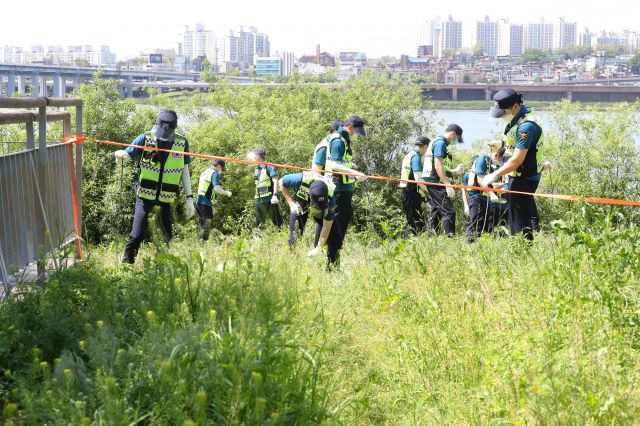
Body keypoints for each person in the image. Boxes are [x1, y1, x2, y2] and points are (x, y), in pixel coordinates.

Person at [115, 109, 194, 264]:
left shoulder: (182, 143)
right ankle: (126, 266)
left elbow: (185, 171)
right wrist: (120, 155)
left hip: (166, 199)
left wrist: (190, 199)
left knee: (165, 237)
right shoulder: (145, 138)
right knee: (137, 235)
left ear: (173, 128)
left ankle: (159, 268)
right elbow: (127, 152)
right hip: (144, 197)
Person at [482, 89, 545, 241]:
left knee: (518, 218)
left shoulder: (526, 126)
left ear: (515, 107)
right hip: (516, 174)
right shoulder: (517, 119)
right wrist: (501, 146)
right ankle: (522, 247)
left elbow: (517, 159)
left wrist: (493, 175)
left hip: (525, 177)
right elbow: (513, 139)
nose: (502, 116)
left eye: (503, 112)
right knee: (516, 215)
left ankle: (521, 249)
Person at [325, 115, 368, 264]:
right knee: (337, 227)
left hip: (346, 190)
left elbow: (343, 164)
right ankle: (331, 262)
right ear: (350, 127)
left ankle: (335, 259)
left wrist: (352, 168)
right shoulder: (338, 140)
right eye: (356, 131)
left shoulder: (345, 140)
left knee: (343, 223)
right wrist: (356, 173)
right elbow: (335, 165)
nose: (356, 134)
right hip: (339, 191)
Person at [279, 172, 342, 266]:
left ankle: (332, 268)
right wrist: (291, 203)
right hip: (300, 202)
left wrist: (319, 248)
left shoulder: (331, 197)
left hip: (321, 206)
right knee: (294, 235)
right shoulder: (299, 179)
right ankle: (293, 264)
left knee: (335, 237)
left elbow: (326, 226)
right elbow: (281, 182)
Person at [422, 124, 465, 236]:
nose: (455, 141)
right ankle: (450, 238)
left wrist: (454, 172)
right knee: (449, 211)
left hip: (430, 179)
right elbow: (437, 166)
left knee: (437, 210)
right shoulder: (440, 143)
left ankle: (432, 236)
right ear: (453, 134)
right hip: (434, 181)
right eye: (456, 138)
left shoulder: (436, 141)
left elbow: (439, 167)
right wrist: (447, 184)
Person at [461, 148, 505, 242]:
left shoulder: (488, 167)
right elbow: (465, 189)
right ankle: (469, 242)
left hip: (482, 197)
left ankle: (484, 241)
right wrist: (466, 205)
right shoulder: (470, 172)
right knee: (475, 221)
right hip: (474, 197)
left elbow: (489, 183)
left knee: (484, 220)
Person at [399, 136, 430, 238]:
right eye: (427, 149)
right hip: (410, 194)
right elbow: (418, 179)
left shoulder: (408, 155)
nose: (425, 152)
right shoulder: (416, 157)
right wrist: (428, 190)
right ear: (424, 146)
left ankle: (412, 243)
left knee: (414, 222)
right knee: (415, 223)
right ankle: (408, 244)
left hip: (407, 192)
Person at [196, 159, 232, 241]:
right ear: (219, 166)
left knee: (203, 226)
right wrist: (226, 193)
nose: (222, 171)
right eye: (222, 169)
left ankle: (199, 245)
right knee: (207, 226)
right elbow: (217, 188)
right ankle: (200, 244)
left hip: (199, 202)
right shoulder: (214, 173)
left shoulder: (205, 172)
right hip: (205, 203)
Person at [250, 148, 283, 229]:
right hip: (259, 199)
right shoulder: (257, 169)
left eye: (253, 155)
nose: (251, 158)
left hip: (270, 198)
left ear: (257, 156)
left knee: (276, 220)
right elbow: (259, 184)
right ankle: (257, 239)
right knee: (258, 222)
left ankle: (282, 234)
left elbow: (275, 181)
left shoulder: (269, 166)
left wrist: (275, 195)